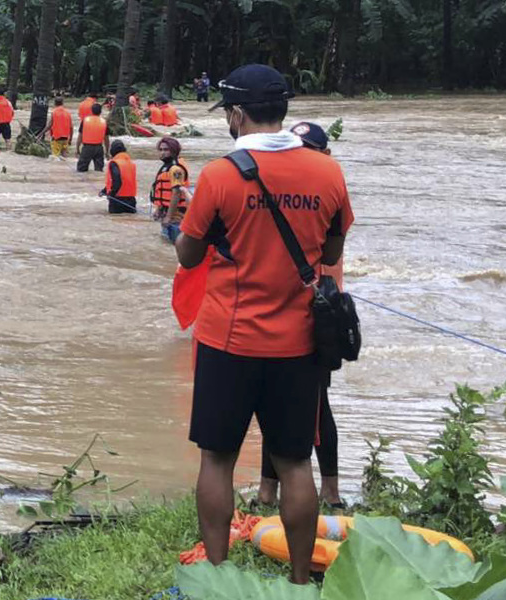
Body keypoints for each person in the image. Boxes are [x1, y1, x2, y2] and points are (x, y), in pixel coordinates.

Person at [174, 64, 353, 585]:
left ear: (236, 113)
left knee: (218, 458)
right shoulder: (327, 172)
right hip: (298, 342)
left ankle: (216, 575)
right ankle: (301, 580)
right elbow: (332, 250)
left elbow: (188, 257)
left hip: (228, 340)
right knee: (296, 462)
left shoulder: (220, 175)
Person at [258, 120, 343, 509]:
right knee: (270, 402)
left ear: (324, 154)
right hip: (279, 308)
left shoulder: (328, 185)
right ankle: (266, 490)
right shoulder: (298, 184)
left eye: (308, 149)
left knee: (316, 404)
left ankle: (330, 490)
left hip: (318, 311)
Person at [151, 136, 191, 243]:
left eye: (166, 150)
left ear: (174, 151)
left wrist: (168, 217)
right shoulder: (165, 168)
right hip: (167, 216)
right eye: (160, 150)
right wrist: (159, 209)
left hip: (176, 218)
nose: (162, 153)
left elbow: (176, 193)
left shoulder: (175, 169)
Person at [98, 140, 137, 213]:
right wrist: (104, 191)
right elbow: (124, 180)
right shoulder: (131, 163)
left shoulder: (114, 163)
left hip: (117, 200)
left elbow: (117, 181)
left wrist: (111, 195)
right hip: (131, 200)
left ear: (112, 151)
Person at [76, 103, 109, 172]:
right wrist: (107, 151)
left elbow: (80, 136)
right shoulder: (104, 122)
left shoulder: (85, 121)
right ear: (100, 112)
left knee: (81, 170)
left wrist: (77, 149)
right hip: (99, 148)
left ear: (91, 111)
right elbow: (106, 139)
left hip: (87, 148)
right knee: (99, 170)